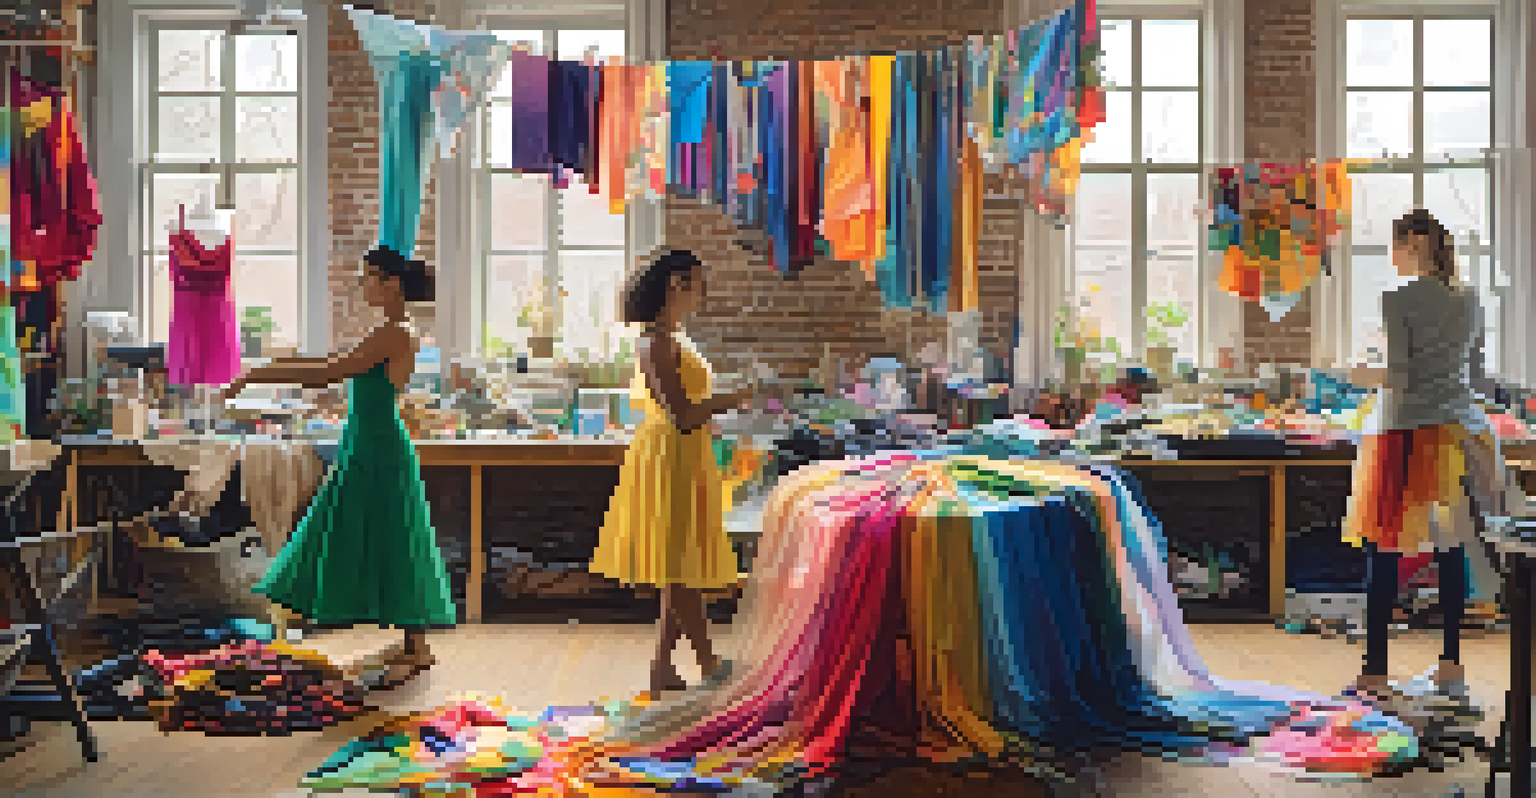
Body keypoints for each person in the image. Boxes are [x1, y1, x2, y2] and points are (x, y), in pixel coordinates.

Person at [219, 245, 455, 688]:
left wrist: (257, 375)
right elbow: (326, 366)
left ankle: (416, 646)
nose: (362, 285)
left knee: (394, 540)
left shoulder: (395, 332)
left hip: (379, 449)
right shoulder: (389, 329)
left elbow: (327, 373)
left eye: (369, 277)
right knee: (371, 535)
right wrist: (261, 370)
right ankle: (412, 644)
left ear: (392, 283)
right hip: (365, 445)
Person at [1344, 209, 1506, 697]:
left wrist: (1354, 373)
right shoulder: (1469, 297)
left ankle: (1375, 670)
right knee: (1451, 546)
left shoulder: (1397, 298)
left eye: (1395, 245)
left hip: (1405, 433)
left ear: (1412, 243)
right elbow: (1473, 373)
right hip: (1456, 431)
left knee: (1384, 547)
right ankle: (1451, 666)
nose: (1391, 256)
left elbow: (1399, 377)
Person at [592, 248, 752, 696]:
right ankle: (709, 661)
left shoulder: (671, 338)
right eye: (698, 283)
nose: (705, 292)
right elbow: (681, 412)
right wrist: (734, 397)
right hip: (671, 455)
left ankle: (662, 668)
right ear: (675, 285)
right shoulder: (657, 342)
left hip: (684, 453)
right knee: (679, 568)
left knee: (677, 564)